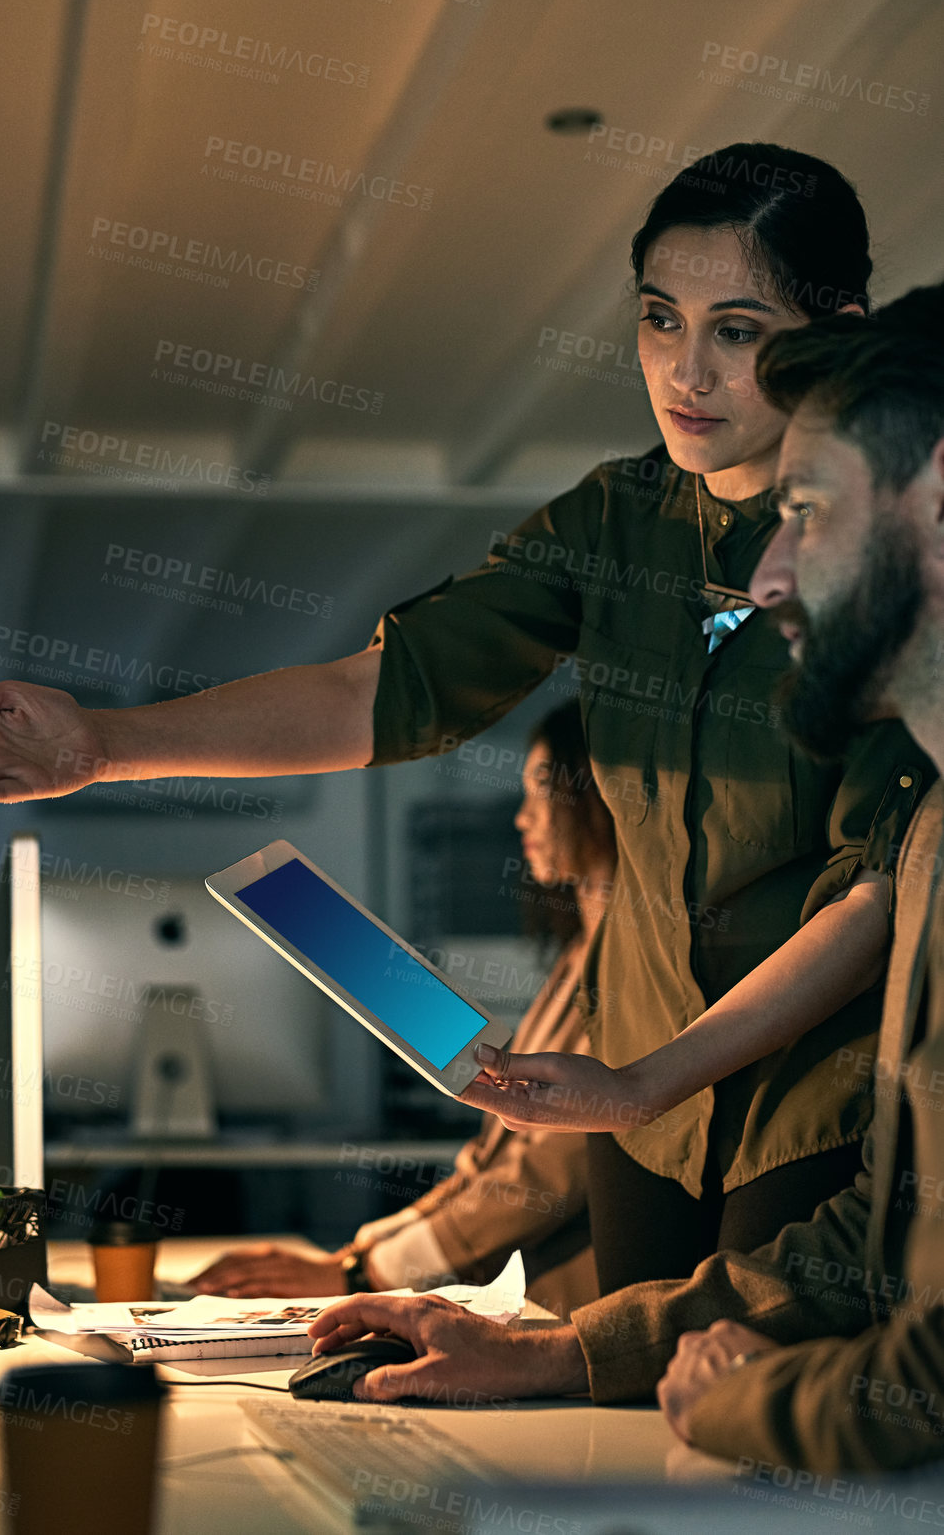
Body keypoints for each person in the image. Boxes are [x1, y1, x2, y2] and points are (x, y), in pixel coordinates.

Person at [0, 142, 931, 1291]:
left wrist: (653, 1077)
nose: (685, 372)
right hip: (639, 1102)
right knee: (644, 1422)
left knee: (754, 1421)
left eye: (736, 329)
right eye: (657, 319)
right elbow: (373, 690)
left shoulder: (882, 546)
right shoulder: (616, 521)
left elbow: (879, 887)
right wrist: (102, 746)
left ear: (836, 328)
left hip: (803, 1098)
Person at [304, 286, 944, 1475]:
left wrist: (738, 1400)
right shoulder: (930, 843)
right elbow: (878, 1245)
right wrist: (562, 1354)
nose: (767, 579)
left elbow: (926, 1378)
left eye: (806, 513)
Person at [190, 701, 616, 1318]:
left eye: (541, 793)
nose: (523, 819)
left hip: (570, 1313)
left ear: (600, 800)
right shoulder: (579, 956)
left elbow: (541, 1176)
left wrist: (364, 1271)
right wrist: (360, 1258)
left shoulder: (632, 967)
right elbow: (492, 1163)